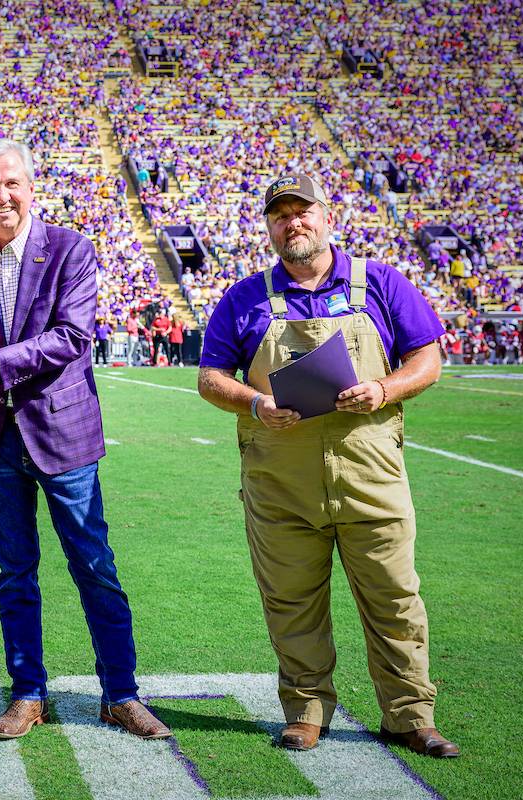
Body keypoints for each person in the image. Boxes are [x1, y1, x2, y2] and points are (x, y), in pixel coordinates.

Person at [197, 173, 459, 759]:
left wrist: (384, 390)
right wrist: (256, 403)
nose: (293, 222)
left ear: (326, 216)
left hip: (370, 476)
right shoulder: (245, 296)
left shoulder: (382, 282)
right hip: (280, 481)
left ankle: (411, 715)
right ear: (268, 226)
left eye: (303, 211)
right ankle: (306, 710)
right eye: (280, 214)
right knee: (292, 603)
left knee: (395, 599)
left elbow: (429, 358)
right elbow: (210, 378)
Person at [0, 139, 170, 741]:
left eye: (11, 183)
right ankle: (27, 695)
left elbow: (72, 336)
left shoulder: (70, 249)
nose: (2, 195)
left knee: (94, 566)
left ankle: (120, 693)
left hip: (62, 435)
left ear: (31, 186)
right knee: (15, 573)